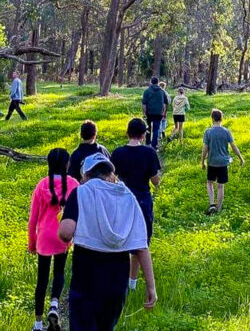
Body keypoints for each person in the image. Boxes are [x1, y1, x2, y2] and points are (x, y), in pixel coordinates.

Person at [58, 153, 157, 331]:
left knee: (83, 324)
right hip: (117, 274)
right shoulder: (127, 196)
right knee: (107, 325)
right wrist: (151, 287)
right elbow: (141, 246)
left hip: (86, 272)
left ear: (86, 175)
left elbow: (65, 233)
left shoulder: (81, 192)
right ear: (110, 174)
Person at [29, 148, 80, 331]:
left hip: (43, 237)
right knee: (59, 272)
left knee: (41, 279)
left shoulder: (41, 185)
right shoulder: (74, 184)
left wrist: (31, 243)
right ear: (67, 164)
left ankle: (37, 323)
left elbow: (33, 219)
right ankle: (54, 304)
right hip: (63, 236)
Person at [110, 118, 161, 291]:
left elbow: (111, 179)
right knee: (140, 241)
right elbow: (155, 181)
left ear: (127, 133)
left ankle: (118, 279)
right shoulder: (149, 153)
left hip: (121, 201)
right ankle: (132, 283)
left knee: (119, 239)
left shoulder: (117, 153)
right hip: (142, 200)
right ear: (143, 134)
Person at [201, 108, 245, 215]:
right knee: (221, 186)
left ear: (212, 119)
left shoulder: (208, 132)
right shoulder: (226, 131)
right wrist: (241, 158)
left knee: (210, 183)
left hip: (212, 162)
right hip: (223, 163)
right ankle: (219, 209)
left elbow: (205, 148)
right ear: (222, 119)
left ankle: (212, 204)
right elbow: (234, 147)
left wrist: (202, 161)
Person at [142, 77, 168, 150]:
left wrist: (144, 113)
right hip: (159, 113)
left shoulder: (147, 91)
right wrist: (164, 112)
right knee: (156, 129)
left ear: (151, 82)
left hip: (149, 113)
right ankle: (154, 146)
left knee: (148, 127)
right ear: (158, 82)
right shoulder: (162, 92)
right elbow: (166, 103)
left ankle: (147, 143)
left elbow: (144, 103)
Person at [158, 81, 171, 146]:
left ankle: (159, 134)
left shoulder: (158, 93)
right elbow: (169, 101)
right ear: (164, 87)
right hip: (165, 109)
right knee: (164, 120)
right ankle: (163, 130)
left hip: (159, 109)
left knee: (159, 122)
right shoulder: (167, 93)